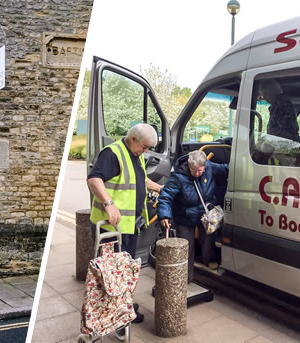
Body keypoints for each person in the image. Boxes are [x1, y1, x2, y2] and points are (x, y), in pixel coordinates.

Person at [87, 123, 161, 324]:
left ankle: (123, 307)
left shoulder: (136, 155)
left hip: (128, 226)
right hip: (112, 228)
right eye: (145, 147)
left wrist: (159, 188)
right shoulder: (112, 154)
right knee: (112, 274)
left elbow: (142, 180)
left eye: (149, 148)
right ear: (133, 138)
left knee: (124, 271)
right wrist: (109, 204)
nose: (146, 151)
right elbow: (94, 179)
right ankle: (116, 318)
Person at [157, 150, 229, 282]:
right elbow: (165, 197)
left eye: (200, 171)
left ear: (205, 166)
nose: (197, 174)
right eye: (194, 170)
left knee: (208, 237)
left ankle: (209, 259)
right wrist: (164, 216)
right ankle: (185, 277)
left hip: (205, 213)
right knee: (186, 246)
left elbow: (226, 169)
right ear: (189, 166)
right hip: (184, 216)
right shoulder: (178, 178)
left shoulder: (210, 167)